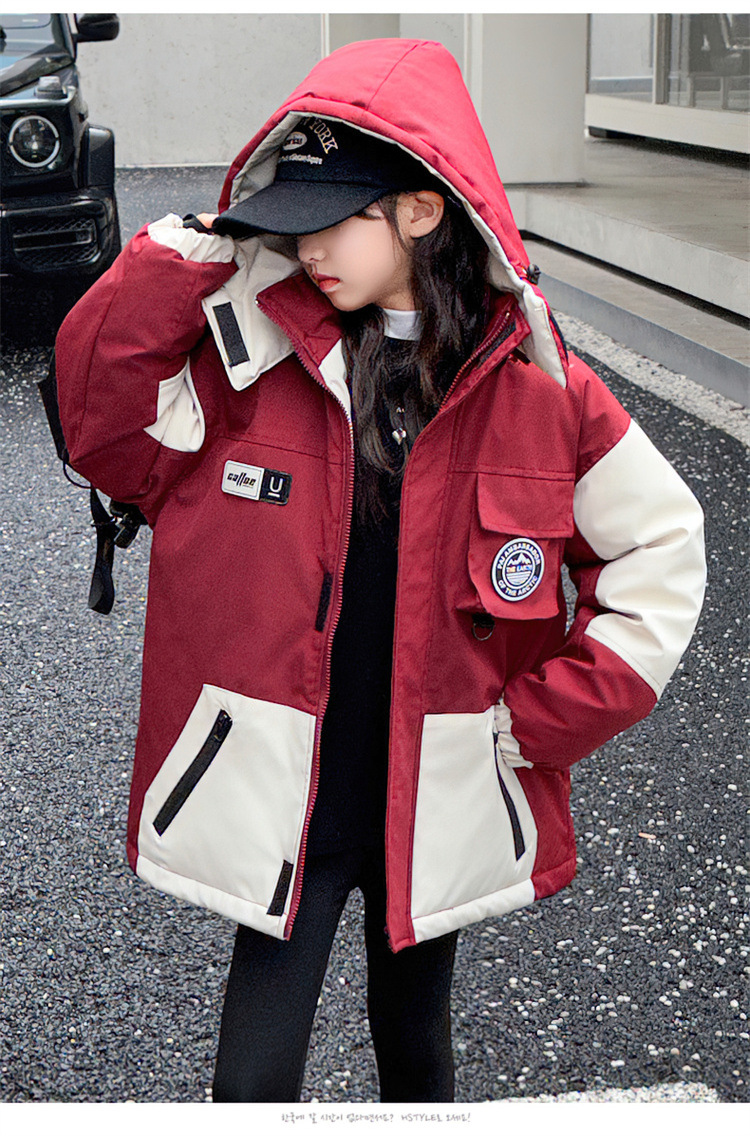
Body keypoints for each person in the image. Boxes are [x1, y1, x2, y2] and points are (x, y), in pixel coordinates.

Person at [55, 38, 706, 1103]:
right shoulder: (251, 365)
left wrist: (543, 722)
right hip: (289, 797)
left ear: (420, 209)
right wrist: (181, 260)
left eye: (336, 217)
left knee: (418, 1060)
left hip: (438, 793)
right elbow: (105, 433)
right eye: (293, 218)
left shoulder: (539, 390)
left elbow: (662, 546)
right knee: (250, 1083)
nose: (308, 246)